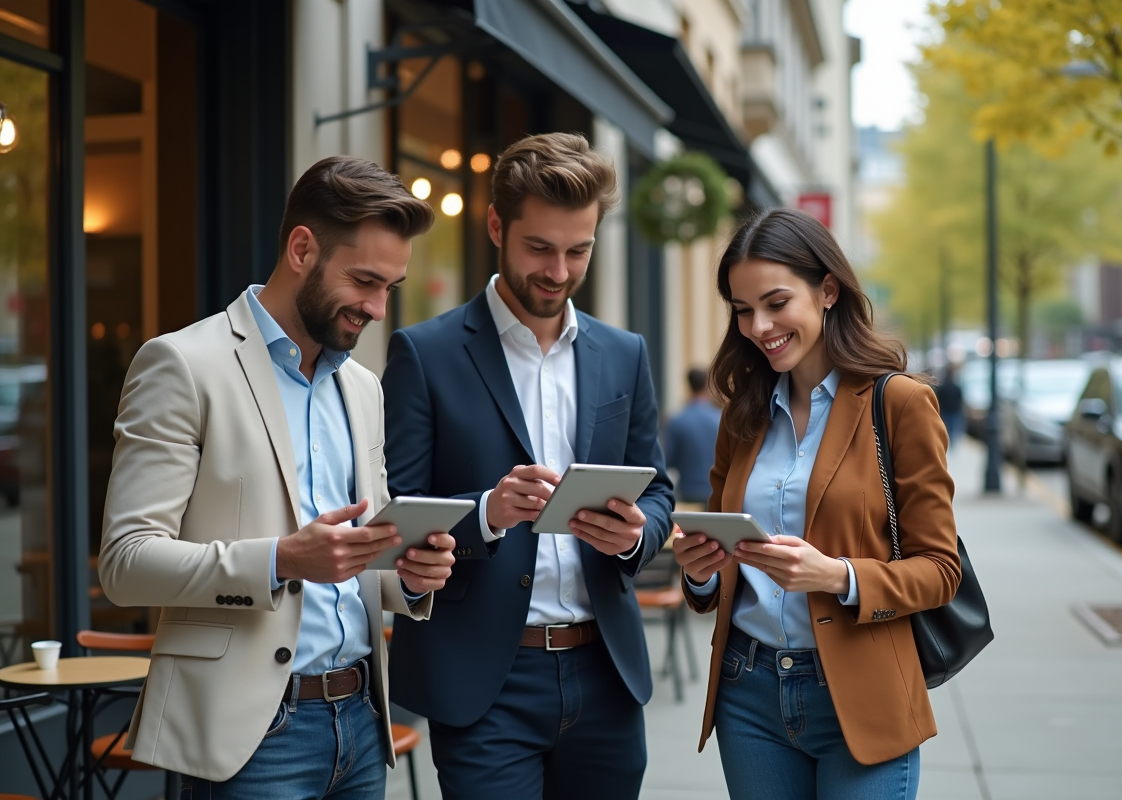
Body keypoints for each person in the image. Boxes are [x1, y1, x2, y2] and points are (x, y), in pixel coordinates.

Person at [99, 156, 457, 798]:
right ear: (301, 249)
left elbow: (358, 556)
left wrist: (407, 574)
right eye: (364, 281)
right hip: (252, 735)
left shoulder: (363, 388)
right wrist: (282, 559)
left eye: (390, 287)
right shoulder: (182, 365)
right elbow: (126, 564)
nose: (378, 308)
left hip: (361, 719)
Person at [381, 132, 674, 800]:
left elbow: (658, 491)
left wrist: (636, 535)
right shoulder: (424, 354)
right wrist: (487, 512)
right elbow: (397, 514)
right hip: (485, 681)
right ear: (496, 226)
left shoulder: (624, 353)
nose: (559, 271)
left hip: (606, 675)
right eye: (540, 248)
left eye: (579, 251)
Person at [672, 208, 961, 800]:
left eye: (776, 303)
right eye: (743, 309)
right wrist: (701, 572)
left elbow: (940, 571)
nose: (759, 326)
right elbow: (721, 562)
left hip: (863, 692)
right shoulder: (741, 413)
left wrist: (836, 575)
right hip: (748, 691)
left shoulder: (900, 404)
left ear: (828, 290)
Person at [664, 367, 722, 507]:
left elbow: (668, 459)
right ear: (707, 386)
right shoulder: (720, 420)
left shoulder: (677, 421)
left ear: (688, 385)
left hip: (688, 493)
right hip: (716, 490)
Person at [935, 363, 965, 446]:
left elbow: (939, 398)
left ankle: (949, 442)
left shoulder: (943, 387)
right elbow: (960, 399)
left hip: (946, 410)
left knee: (947, 427)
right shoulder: (956, 387)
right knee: (953, 427)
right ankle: (951, 442)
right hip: (953, 410)